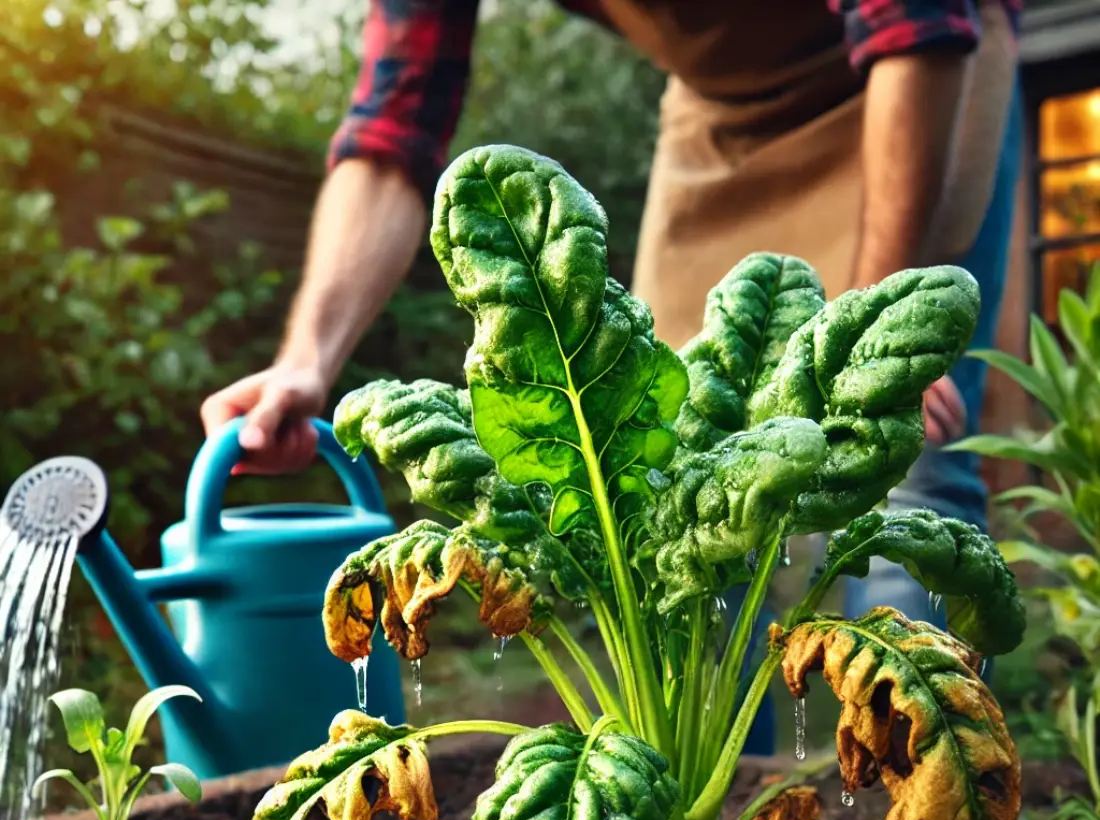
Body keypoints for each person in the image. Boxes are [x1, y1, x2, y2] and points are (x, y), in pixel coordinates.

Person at [201, 0, 1022, 749]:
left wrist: (864, 332)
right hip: (724, 113)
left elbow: (914, 26)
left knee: (899, 457)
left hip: (919, 76)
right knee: (674, 488)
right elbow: (393, 131)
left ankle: (926, 815)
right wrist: (305, 361)